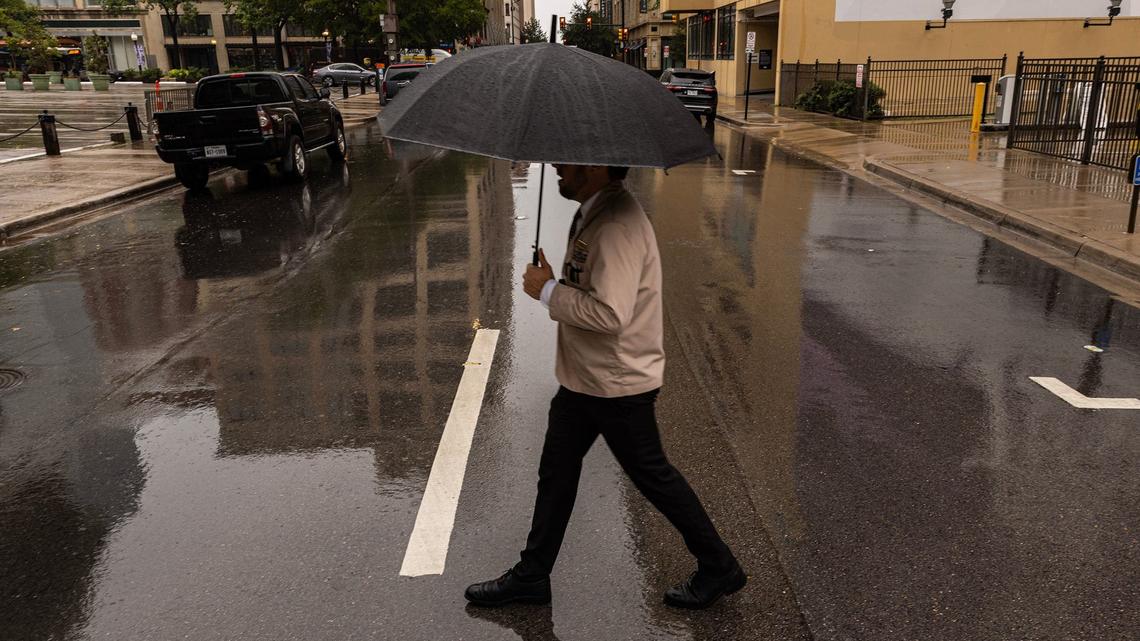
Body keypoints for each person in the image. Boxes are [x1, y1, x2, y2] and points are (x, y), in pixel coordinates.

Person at [464, 164, 746, 610]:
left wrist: (548, 290)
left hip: (616, 383)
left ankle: (719, 565)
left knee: (653, 476)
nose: (557, 165)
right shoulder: (597, 209)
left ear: (593, 167)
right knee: (557, 472)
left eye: (567, 159)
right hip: (587, 378)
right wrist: (558, 280)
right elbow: (595, 286)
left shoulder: (615, 224)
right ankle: (532, 576)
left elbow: (611, 315)